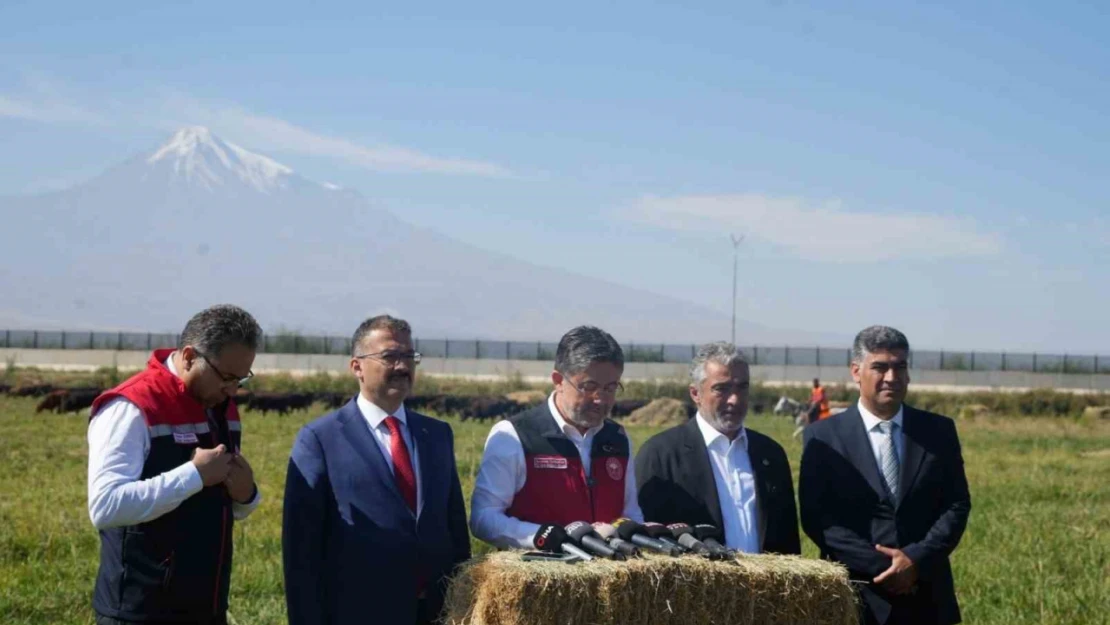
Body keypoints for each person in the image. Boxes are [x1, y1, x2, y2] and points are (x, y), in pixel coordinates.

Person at [283, 315, 470, 625]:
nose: (402, 366)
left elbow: (454, 529)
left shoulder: (437, 435)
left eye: (409, 356)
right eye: (390, 356)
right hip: (360, 611)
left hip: (436, 612)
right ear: (357, 366)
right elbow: (301, 550)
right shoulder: (320, 439)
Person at [86, 304, 263, 625]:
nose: (232, 390)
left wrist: (247, 496)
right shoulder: (131, 406)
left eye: (241, 379)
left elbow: (217, 501)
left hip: (206, 605)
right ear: (189, 357)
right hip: (141, 610)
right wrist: (193, 475)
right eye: (226, 377)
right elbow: (105, 507)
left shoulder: (221, 406)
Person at [799, 326, 971, 625]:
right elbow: (818, 518)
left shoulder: (938, 432)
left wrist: (915, 560)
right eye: (880, 367)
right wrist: (886, 566)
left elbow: (956, 505)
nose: (891, 377)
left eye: (899, 366)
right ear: (856, 371)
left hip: (927, 598)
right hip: (855, 598)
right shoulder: (822, 437)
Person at [469, 325, 644, 549]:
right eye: (589, 387)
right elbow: (483, 518)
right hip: (538, 576)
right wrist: (545, 538)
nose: (600, 399)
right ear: (558, 380)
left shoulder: (618, 438)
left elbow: (631, 513)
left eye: (610, 388)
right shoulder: (515, 436)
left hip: (607, 577)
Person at [635, 342, 801, 555]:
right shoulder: (660, 455)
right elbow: (649, 543)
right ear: (695, 393)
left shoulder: (770, 454)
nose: (735, 399)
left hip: (763, 587)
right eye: (721, 389)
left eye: (742, 387)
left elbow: (788, 542)